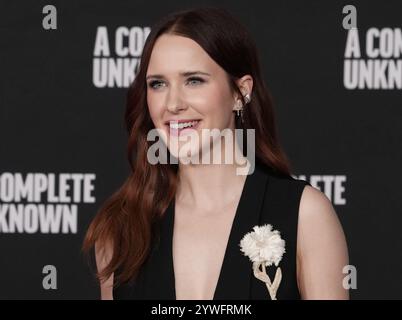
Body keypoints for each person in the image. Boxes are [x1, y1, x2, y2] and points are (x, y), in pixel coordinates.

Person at [83, 7, 349, 300]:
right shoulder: (121, 229)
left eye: (194, 80)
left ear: (240, 92)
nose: (173, 103)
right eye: (158, 84)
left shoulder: (304, 215)